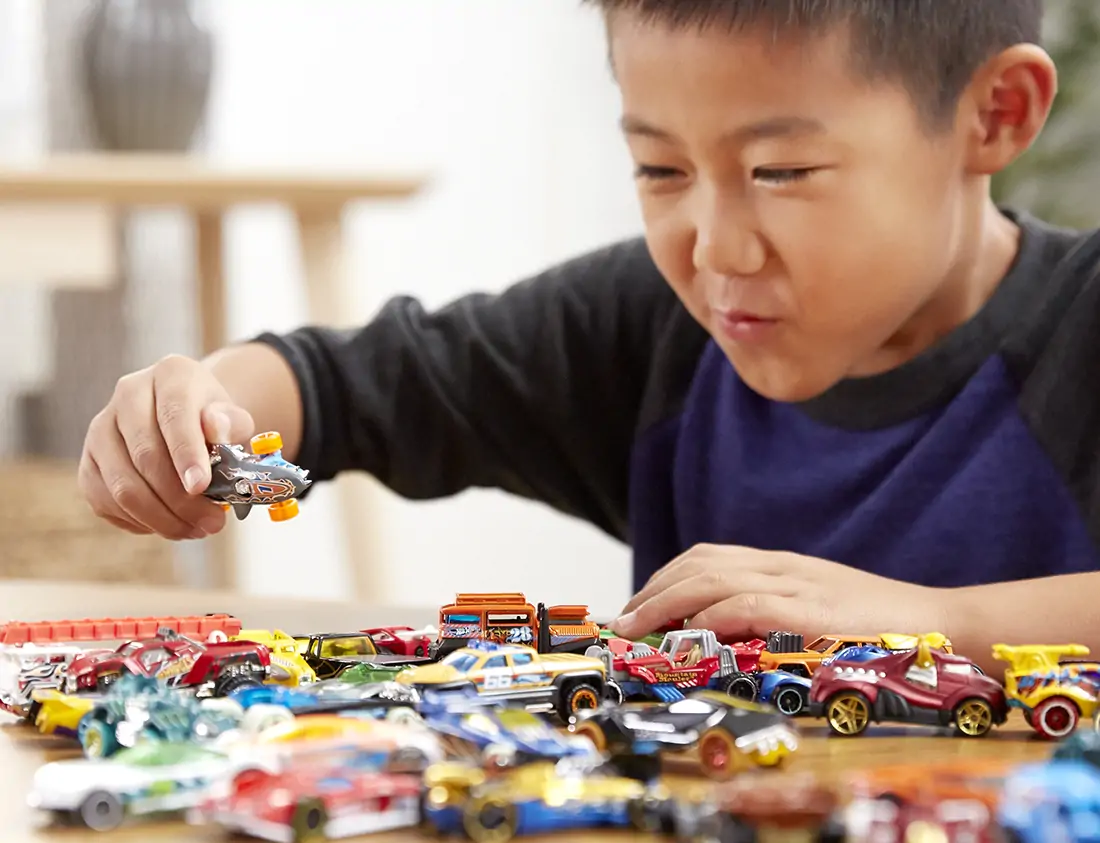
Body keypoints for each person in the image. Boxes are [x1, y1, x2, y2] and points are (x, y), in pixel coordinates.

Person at [79, 0, 1100, 670]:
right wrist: (196, 405)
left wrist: (944, 622)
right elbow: (345, 382)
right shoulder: (656, 327)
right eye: (659, 171)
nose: (715, 251)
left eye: (780, 172)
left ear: (995, 115)